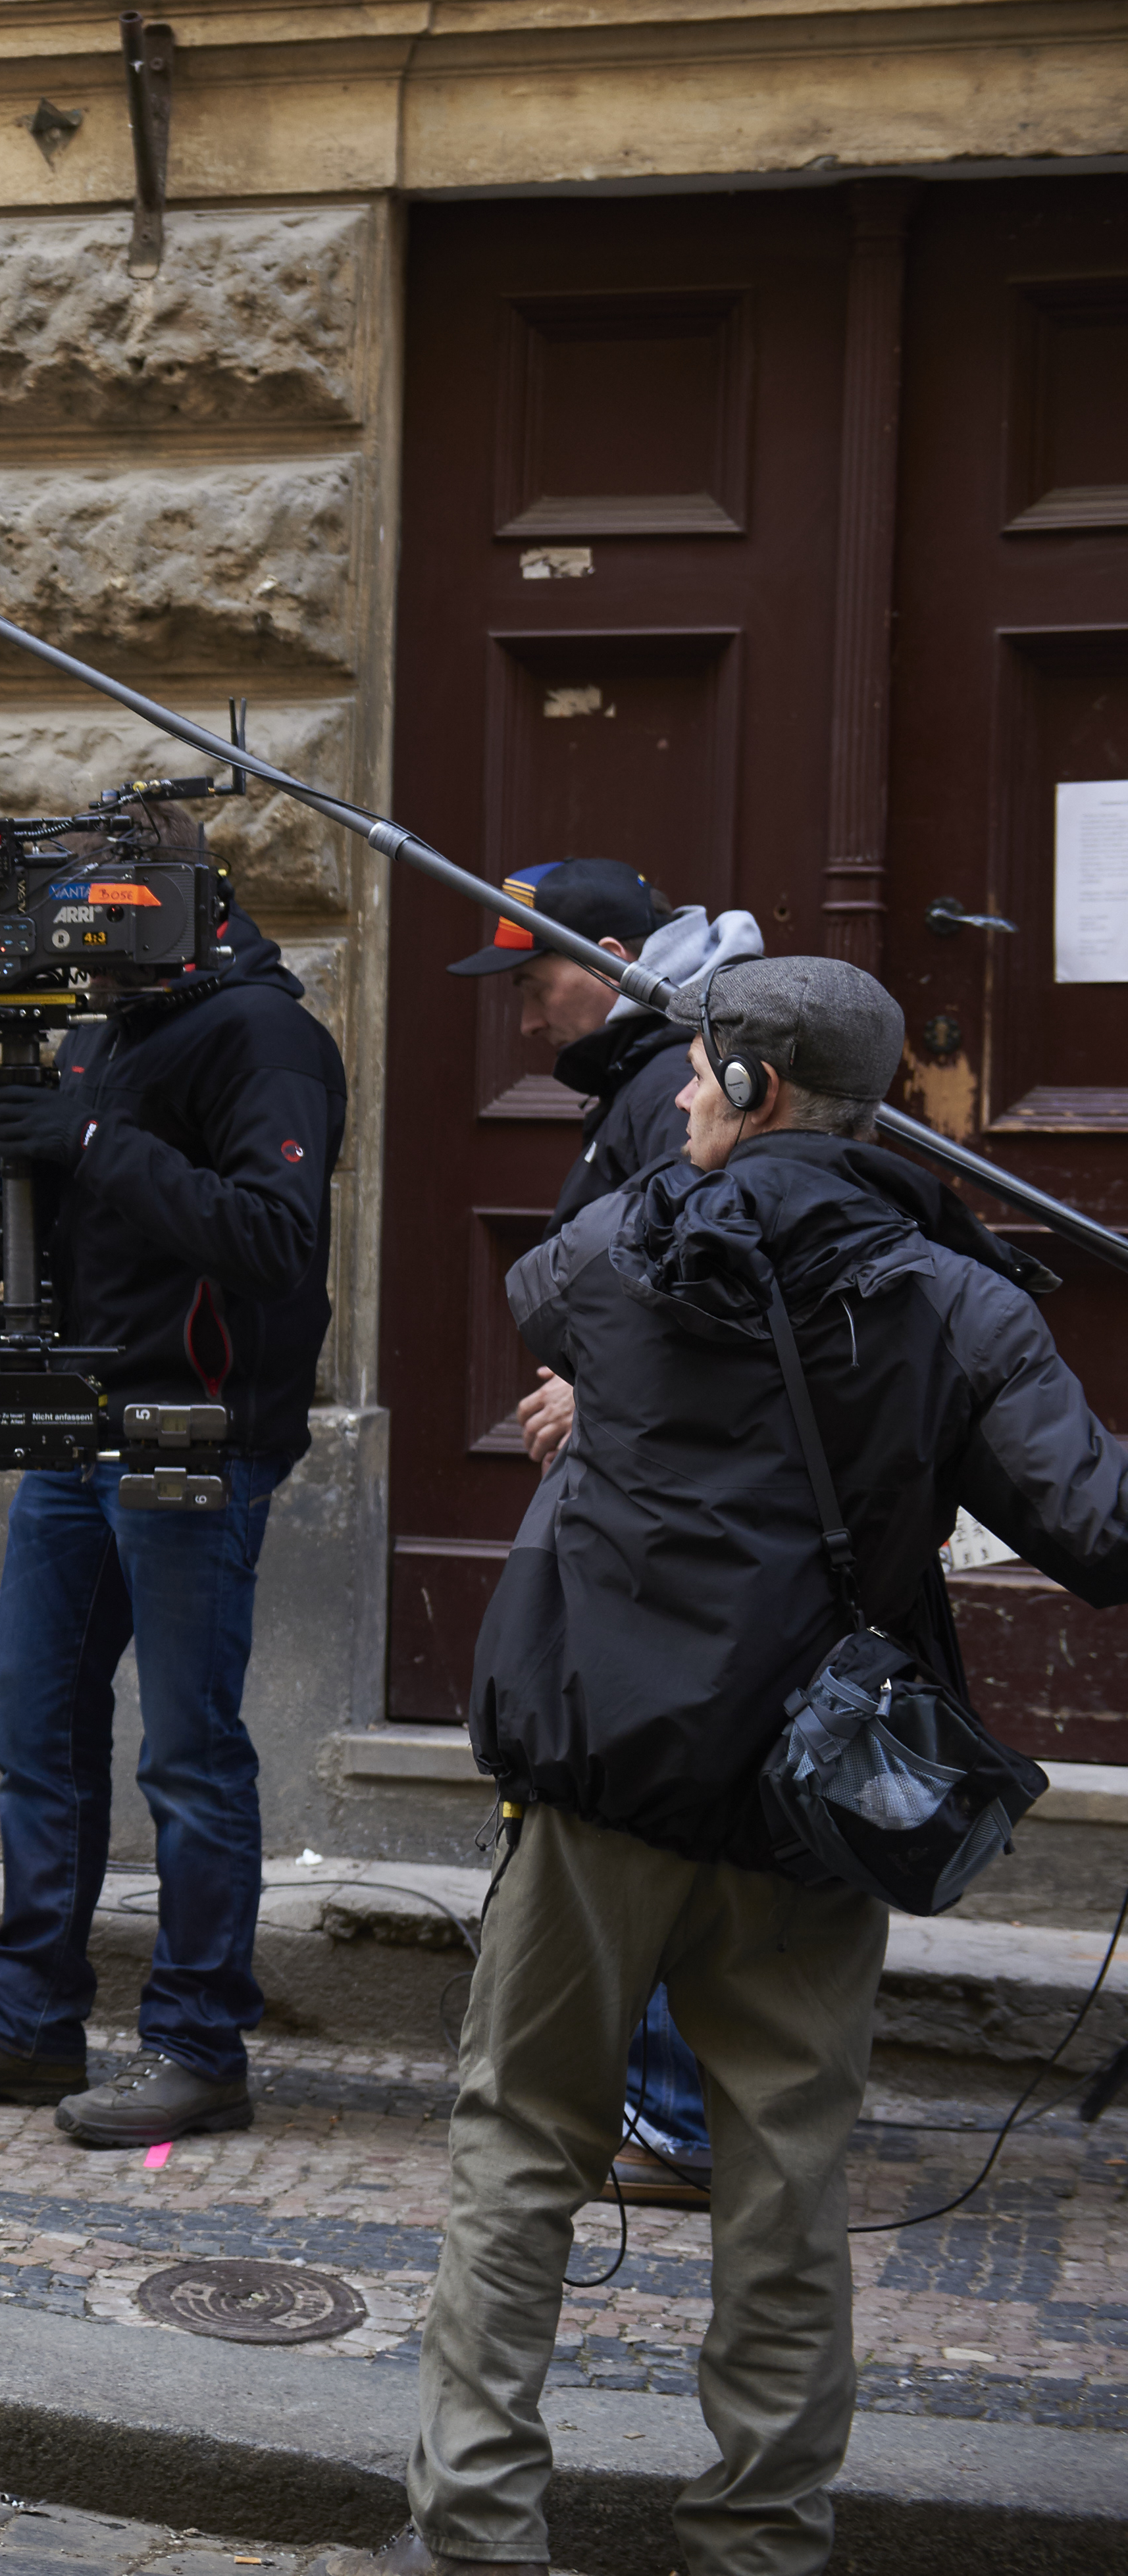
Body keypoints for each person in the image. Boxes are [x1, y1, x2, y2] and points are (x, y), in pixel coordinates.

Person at [388, 957, 1128, 2576]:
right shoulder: (958, 1300)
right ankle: (759, 2542)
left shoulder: (616, 1250)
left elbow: (555, 1301)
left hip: (605, 1770)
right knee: (783, 2178)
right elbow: (1097, 1529)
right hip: (815, 1785)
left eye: (705, 1073)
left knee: (518, 2145)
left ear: (759, 1090)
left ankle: (473, 2535)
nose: (680, 1095)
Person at [0, 888, 349, 2148]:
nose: (57, 950)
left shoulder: (263, 1038)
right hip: (79, 1424)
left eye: (79, 926)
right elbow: (104, 1213)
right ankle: (29, 2020)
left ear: (163, 916)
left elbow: (271, 1236)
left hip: (195, 1429)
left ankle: (198, 2048)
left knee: (186, 1755)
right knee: (38, 1732)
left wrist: (88, 1139)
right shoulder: (101, 1026)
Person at [449, 857, 764, 2211]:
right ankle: (666, 2101)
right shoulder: (651, 1076)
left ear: (616, 954)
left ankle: (668, 2111)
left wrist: (600, 1381)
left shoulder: (665, 1080)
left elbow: (704, 1272)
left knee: (617, 1769)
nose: (524, 1018)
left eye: (536, 980)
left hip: (649, 1509)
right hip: (644, 1488)